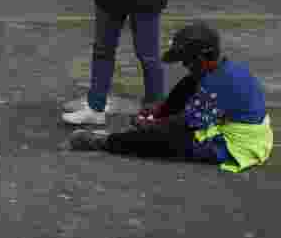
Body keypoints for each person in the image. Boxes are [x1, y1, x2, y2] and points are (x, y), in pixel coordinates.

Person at [69, 22, 274, 173]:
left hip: (237, 145)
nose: (185, 66)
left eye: (187, 61)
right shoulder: (222, 69)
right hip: (240, 126)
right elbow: (191, 101)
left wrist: (153, 126)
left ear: (201, 58)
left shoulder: (217, 84)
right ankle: (156, 117)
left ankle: (105, 142)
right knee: (189, 83)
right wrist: (159, 112)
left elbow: (185, 124)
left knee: (166, 140)